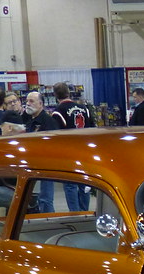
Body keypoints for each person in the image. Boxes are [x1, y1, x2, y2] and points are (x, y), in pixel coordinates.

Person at [51, 82, 96, 211]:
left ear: (55, 95)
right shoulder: (84, 109)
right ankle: (84, 211)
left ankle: (75, 213)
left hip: (69, 153)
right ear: (69, 93)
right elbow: (93, 129)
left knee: (70, 185)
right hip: (85, 151)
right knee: (84, 184)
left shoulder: (58, 112)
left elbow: (57, 136)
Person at [23, 91, 59, 212]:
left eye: (31, 101)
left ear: (41, 104)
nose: (28, 104)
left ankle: (50, 220)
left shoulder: (48, 121)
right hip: (31, 163)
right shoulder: (28, 119)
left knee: (46, 197)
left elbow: (54, 144)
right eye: (27, 101)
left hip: (46, 164)